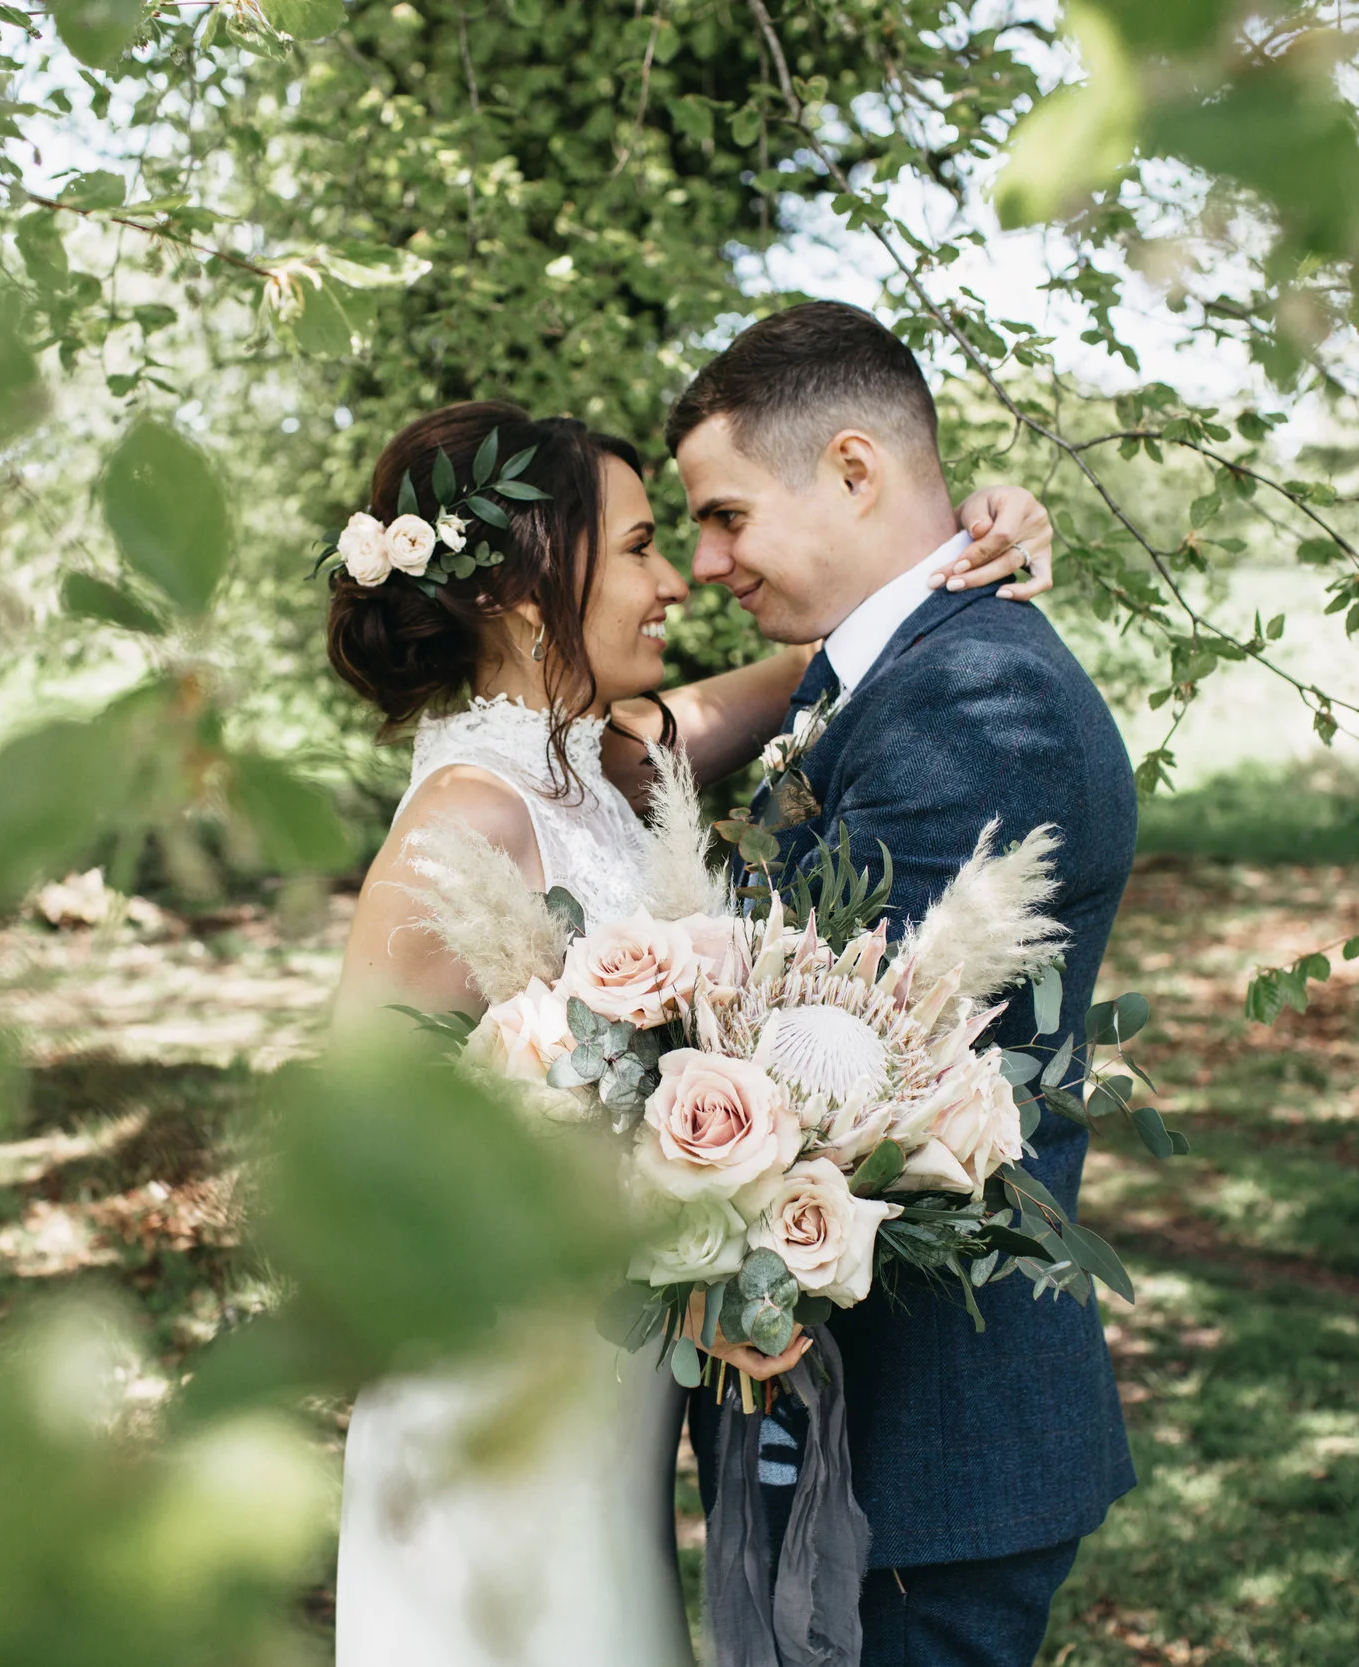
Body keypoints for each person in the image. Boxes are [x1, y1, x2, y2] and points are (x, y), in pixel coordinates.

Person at [322, 396, 1057, 1667]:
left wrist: (962, 542)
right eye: (644, 547)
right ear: (514, 587)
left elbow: (822, 663)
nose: (678, 581)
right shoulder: (466, 811)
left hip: (611, 1398)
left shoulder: (605, 759)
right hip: (500, 1398)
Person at [669, 300, 1137, 1667]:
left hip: (923, 1443)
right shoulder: (888, 674)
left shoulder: (982, 702)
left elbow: (835, 1081)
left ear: (855, 469)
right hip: (849, 1428)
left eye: (727, 514)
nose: (707, 561)